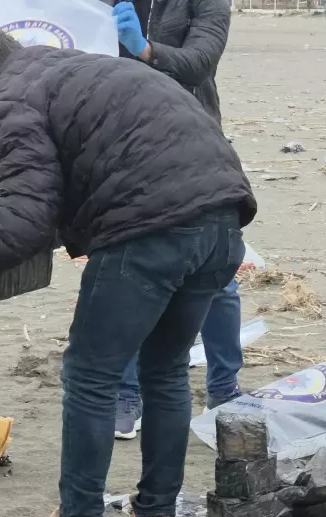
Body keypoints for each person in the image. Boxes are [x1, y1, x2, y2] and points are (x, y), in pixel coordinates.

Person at [0, 30, 255, 517]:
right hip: (224, 223)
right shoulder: (85, 70)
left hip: (149, 230)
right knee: (166, 372)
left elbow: (25, 220)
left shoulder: (13, 96)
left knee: (90, 374)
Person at [110, 0, 245, 439]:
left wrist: (145, 50)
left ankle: (224, 389)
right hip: (123, 147)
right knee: (128, 270)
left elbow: (199, 62)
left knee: (217, 273)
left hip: (195, 143)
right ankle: (128, 394)